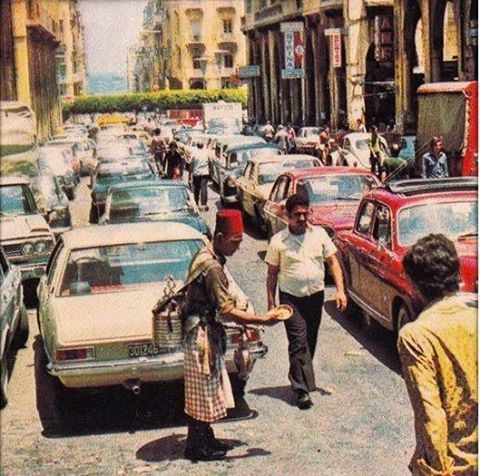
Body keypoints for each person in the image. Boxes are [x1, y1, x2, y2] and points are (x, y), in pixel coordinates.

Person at [183, 209, 275, 461]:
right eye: (235, 242)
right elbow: (225, 308)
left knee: (205, 390)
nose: (237, 247)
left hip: (204, 329)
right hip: (199, 333)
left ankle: (203, 438)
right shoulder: (211, 266)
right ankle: (197, 447)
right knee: (202, 391)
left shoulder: (208, 255)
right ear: (221, 237)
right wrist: (260, 320)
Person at [398, 234, 477, 476]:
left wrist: (439, 469)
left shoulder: (416, 335)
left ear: (414, 283)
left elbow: (430, 413)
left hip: (456, 463)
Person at [265, 193, 347, 409]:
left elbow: (333, 263)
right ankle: (300, 389)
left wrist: (340, 290)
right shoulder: (278, 241)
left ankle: (300, 377)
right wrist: (271, 302)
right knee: (298, 342)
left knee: (310, 340)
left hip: (315, 295)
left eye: (305, 213)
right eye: (296, 215)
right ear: (288, 216)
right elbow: (272, 274)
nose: (301, 218)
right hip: (291, 297)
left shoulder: (319, 235)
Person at [189, 142, 210, 210]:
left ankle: (196, 203)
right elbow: (209, 162)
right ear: (202, 146)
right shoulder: (206, 153)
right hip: (205, 173)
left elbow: (191, 164)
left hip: (197, 173)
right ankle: (204, 204)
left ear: (197, 146)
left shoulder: (194, 153)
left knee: (196, 189)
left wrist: (190, 174)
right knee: (204, 188)